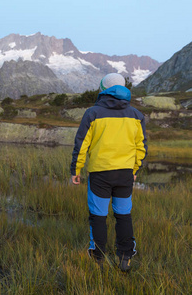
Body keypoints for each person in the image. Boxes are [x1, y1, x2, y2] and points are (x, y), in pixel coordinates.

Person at [70, 73, 147, 271]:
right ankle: (125, 257)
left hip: (100, 174)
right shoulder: (137, 115)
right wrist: (135, 169)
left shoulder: (92, 113)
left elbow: (81, 145)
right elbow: (141, 147)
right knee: (123, 215)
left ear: (103, 89)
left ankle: (98, 258)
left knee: (98, 216)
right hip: (125, 174)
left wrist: (76, 169)